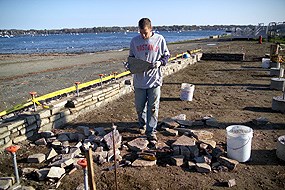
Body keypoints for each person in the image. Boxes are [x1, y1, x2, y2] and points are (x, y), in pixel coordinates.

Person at [128, 18, 170, 142]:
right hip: (139, 81)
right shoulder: (134, 41)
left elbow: (166, 55)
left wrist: (160, 62)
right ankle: (142, 124)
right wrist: (130, 65)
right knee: (140, 107)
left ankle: (151, 131)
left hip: (154, 80)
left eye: (145, 32)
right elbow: (131, 58)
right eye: (141, 32)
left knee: (153, 107)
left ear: (151, 29)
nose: (143, 35)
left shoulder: (159, 39)